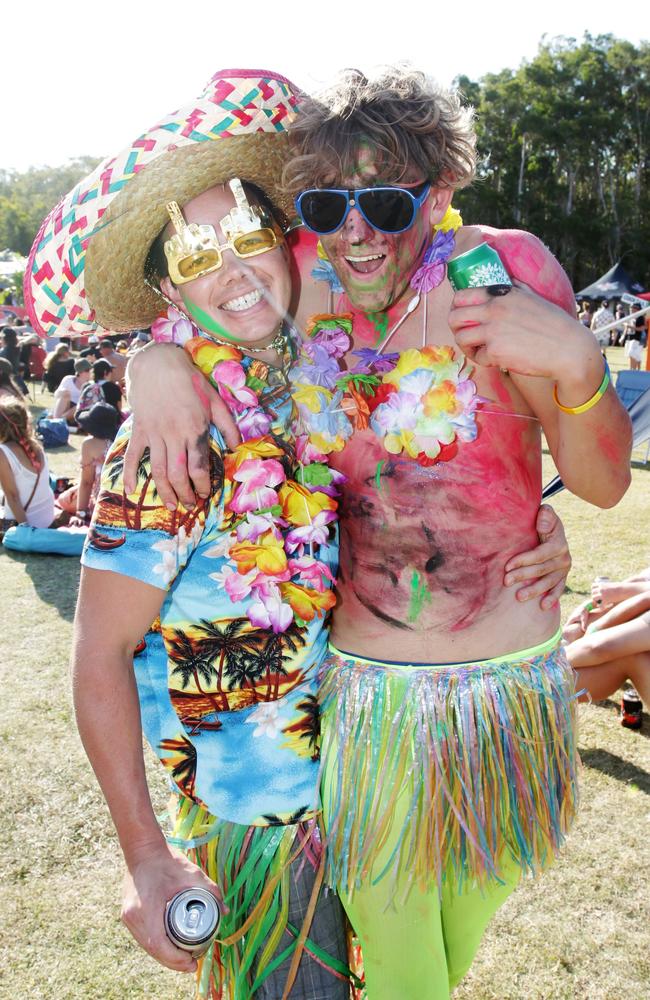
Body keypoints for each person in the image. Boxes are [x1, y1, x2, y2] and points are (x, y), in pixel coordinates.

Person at [25, 68, 574, 1000]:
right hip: (265, 831)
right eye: (195, 257)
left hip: (379, 770)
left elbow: (421, 487)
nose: (232, 269)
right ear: (169, 290)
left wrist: (532, 523)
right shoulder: (167, 442)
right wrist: (143, 857)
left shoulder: (319, 373)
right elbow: (99, 654)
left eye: (245, 235)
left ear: (285, 240)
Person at [0, 399, 55, 530]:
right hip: (47, 518)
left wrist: (26, 530)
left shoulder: (3, 453)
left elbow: (13, 496)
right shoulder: (36, 446)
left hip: (22, 522)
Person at [51, 357, 92, 421]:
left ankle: (57, 421)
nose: (90, 372)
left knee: (80, 405)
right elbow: (56, 395)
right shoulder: (68, 379)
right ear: (80, 372)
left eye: (90, 370)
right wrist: (63, 392)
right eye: (87, 370)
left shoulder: (91, 385)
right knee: (66, 394)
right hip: (65, 405)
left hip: (77, 410)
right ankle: (57, 420)